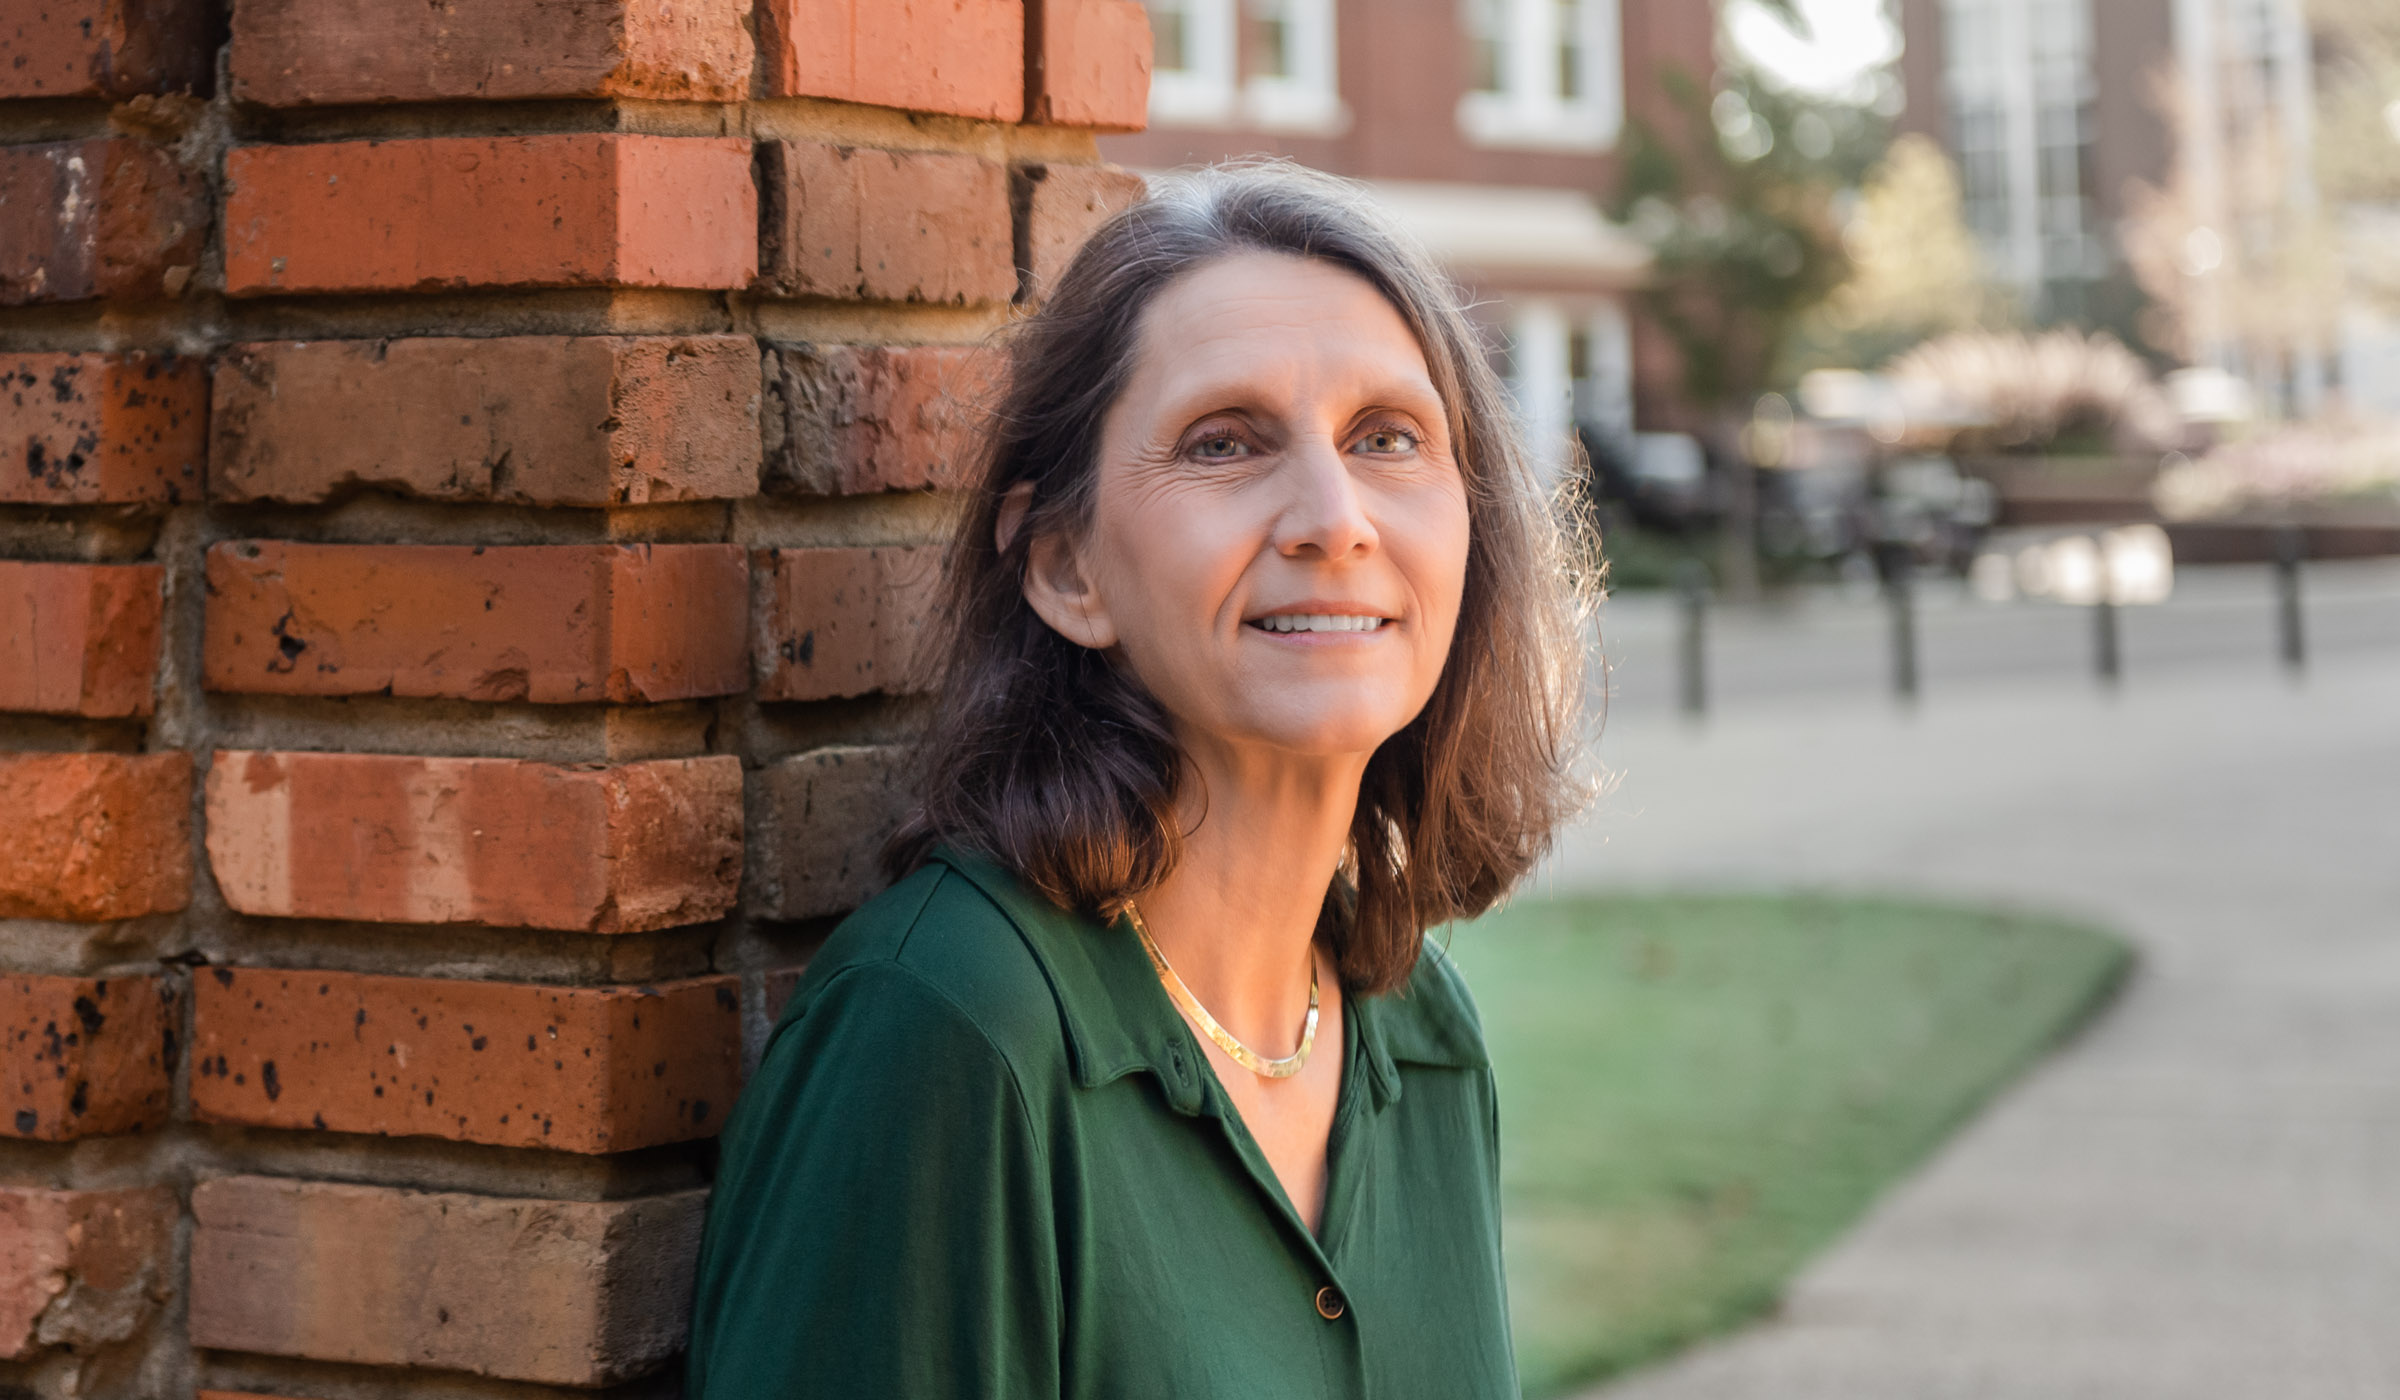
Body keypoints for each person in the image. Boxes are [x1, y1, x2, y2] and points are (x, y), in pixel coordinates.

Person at [685, 162, 1591, 1399]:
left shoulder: (1424, 1031)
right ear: (1066, 569)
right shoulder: (952, 1029)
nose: (1335, 517)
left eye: (1389, 438)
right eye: (1225, 442)